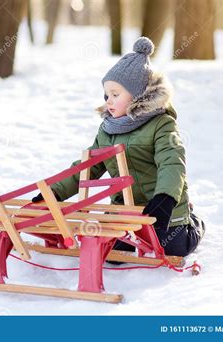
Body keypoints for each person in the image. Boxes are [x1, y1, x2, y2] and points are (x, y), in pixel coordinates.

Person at [32, 37, 205, 257]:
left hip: (162, 209)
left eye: (116, 94)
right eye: (106, 95)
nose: (109, 101)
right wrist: (54, 192)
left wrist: (166, 198)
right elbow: (88, 167)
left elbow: (171, 162)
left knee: (173, 247)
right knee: (111, 251)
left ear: (139, 95)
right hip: (125, 211)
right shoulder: (107, 130)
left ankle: (195, 222)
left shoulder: (162, 124)